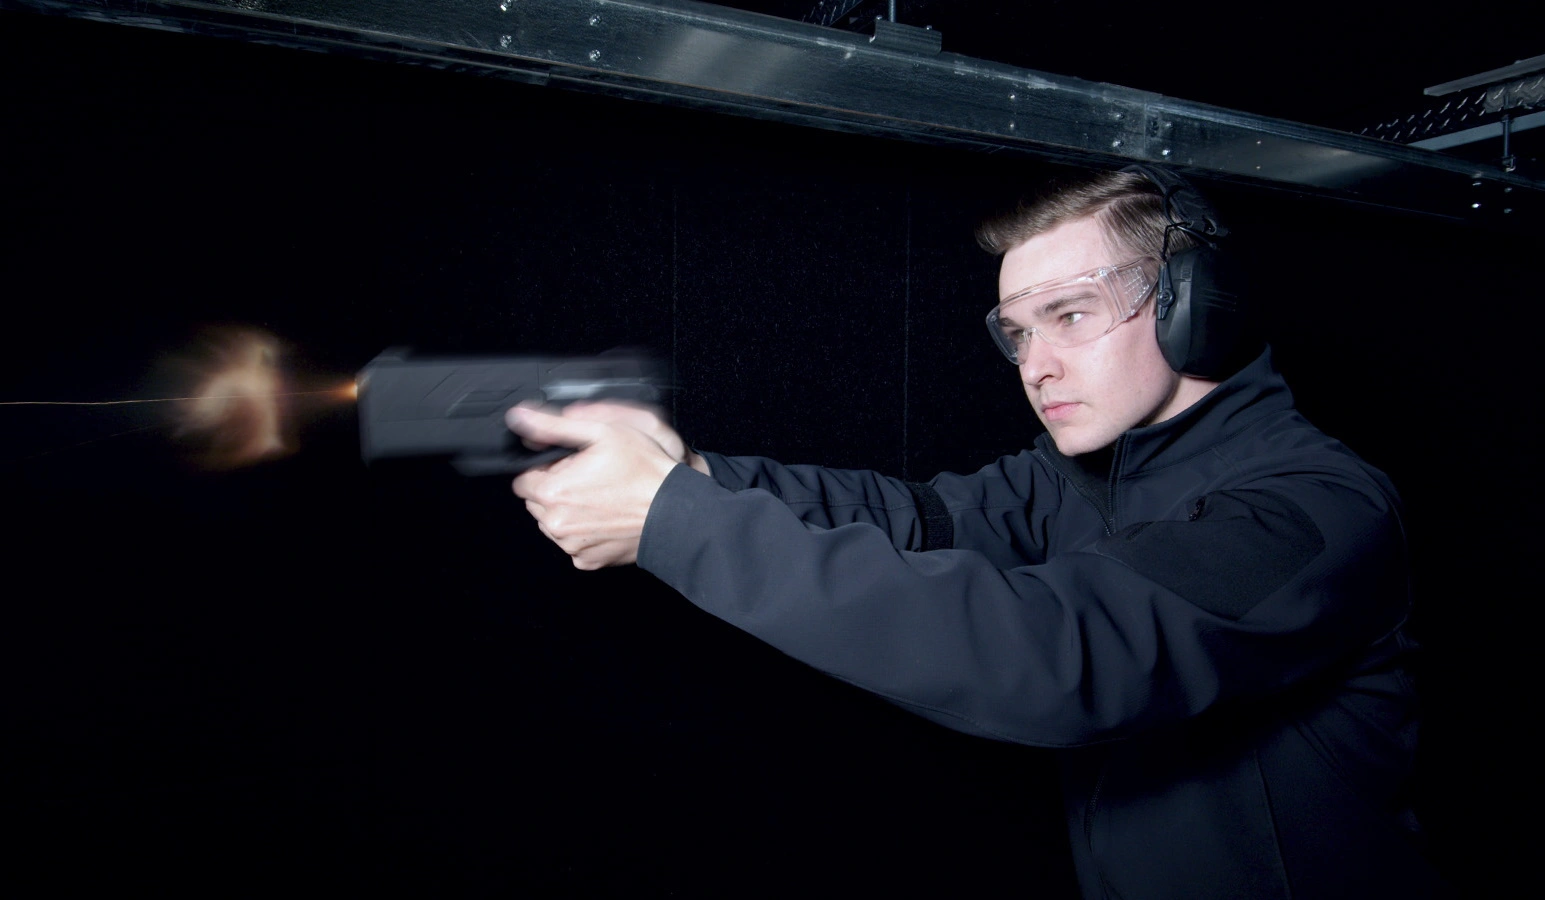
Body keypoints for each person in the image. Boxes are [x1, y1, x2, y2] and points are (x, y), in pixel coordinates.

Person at [507, 166, 1443, 898]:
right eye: (1017, 332)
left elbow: (1061, 657)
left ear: (1194, 307)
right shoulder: (1072, 477)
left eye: (1068, 316)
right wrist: (696, 477)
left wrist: (674, 522)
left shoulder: (1314, 510)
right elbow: (916, 517)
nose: (1035, 366)